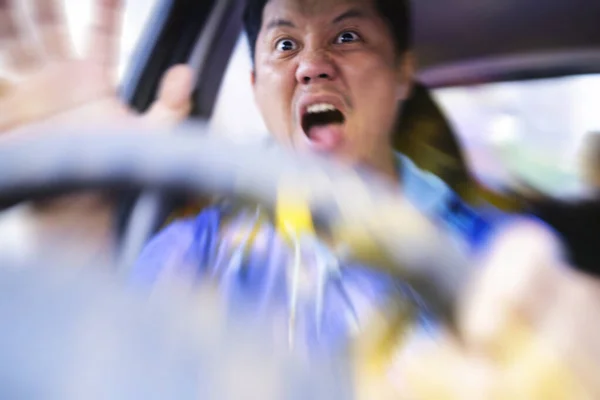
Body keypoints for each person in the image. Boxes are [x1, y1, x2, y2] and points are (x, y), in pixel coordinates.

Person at [2, 0, 600, 398]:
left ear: (401, 75)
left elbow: (551, 316)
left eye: (347, 36)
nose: (313, 64)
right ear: (256, 84)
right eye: (284, 45)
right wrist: (73, 230)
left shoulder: (498, 249)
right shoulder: (194, 249)